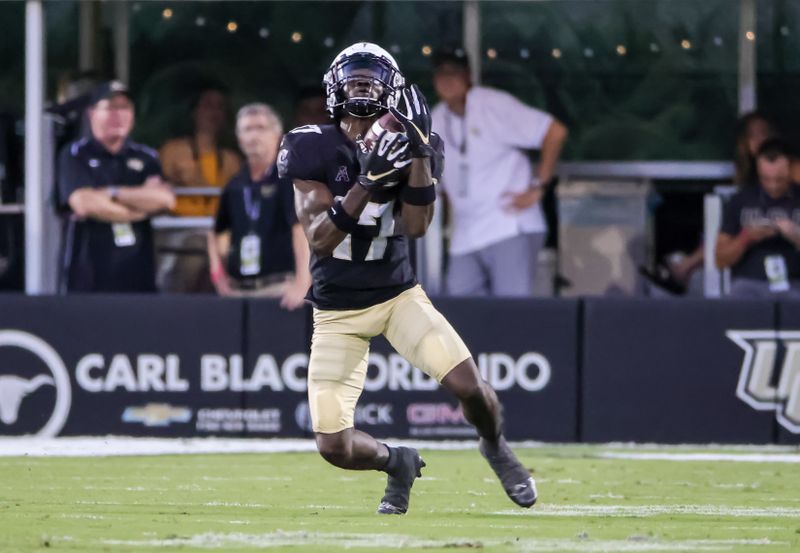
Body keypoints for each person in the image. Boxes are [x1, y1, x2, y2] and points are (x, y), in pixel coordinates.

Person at [279, 42, 537, 515]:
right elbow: (320, 238)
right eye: (352, 75)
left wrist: (417, 152)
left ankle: (494, 445)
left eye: (371, 76)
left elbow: (417, 226)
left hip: (397, 296)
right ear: (334, 87)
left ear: (393, 91)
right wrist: (369, 181)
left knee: (469, 386)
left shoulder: (414, 141)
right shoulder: (309, 143)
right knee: (332, 444)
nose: (361, 84)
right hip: (336, 311)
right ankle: (397, 462)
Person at [430, 49, 568, 297]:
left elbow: (554, 132)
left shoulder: (493, 104)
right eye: (441, 73)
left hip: (508, 224)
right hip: (465, 234)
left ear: (468, 75)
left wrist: (538, 185)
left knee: (512, 312)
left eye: (454, 72)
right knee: (459, 313)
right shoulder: (435, 119)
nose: (447, 80)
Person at [57, 81, 176, 293]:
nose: (118, 115)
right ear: (92, 113)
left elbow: (164, 199)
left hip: (138, 272)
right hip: (88, 273)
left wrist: (112, 193)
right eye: (110, 108)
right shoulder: (75, 154)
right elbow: (84, 203)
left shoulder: (146, 157)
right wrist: (138, 211)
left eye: (124, 108)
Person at [208, 103, 310, 307]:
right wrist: (217, 274)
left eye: (261, 128)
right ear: (239, 138)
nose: (254, 136)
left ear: (278, 135)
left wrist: (303, 281)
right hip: (239, 290)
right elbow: (216, 231)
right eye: (247, 129)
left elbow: (301, 229)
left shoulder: (290, 177)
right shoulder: (235, 184)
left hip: (279, 289)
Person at [158, 85, 242, 293]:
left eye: (219, 107)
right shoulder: (172, 150)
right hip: (179, 230)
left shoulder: (232, 159)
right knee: (196, 250)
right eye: (207, 105)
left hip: (219, 233)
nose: (213, 112)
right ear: (193, 112)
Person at [716, 138, 800, 297]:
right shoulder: (740, 200)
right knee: (738, 295)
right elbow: (720, 260)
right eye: (766, 179)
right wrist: (746, 238)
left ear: (790, 169)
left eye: (779, 180)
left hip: (794, 283)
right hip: (750, 283)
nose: (773, 186)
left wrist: (796, 235)